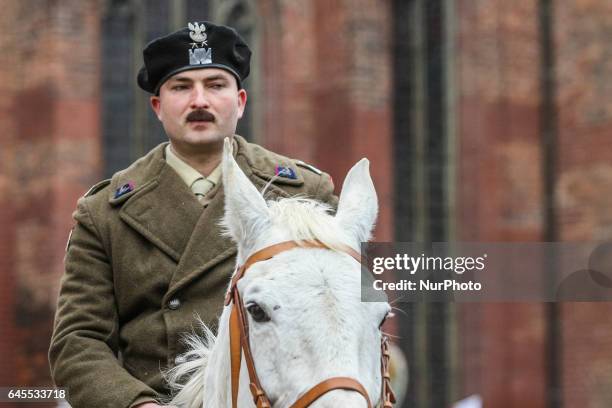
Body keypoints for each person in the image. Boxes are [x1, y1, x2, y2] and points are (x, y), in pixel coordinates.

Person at [49, 21, 336, 408]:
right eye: (181, 87)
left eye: (216, 85)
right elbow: (77, 341)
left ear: (240, 101)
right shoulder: (103, 213)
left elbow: (344, 310)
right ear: (158, 106)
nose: (199, 101)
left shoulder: (304, 191)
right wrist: (136, 405)